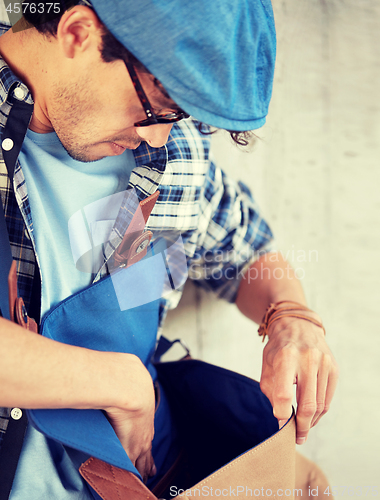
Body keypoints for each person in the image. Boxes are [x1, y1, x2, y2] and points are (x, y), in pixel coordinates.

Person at [0, 0, 338, 498]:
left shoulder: (174, 153)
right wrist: (119, 384)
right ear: (78, 33)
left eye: (178, 114)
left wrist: (292, 316)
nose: (159, 134)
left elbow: (243, 251)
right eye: (155, 107)